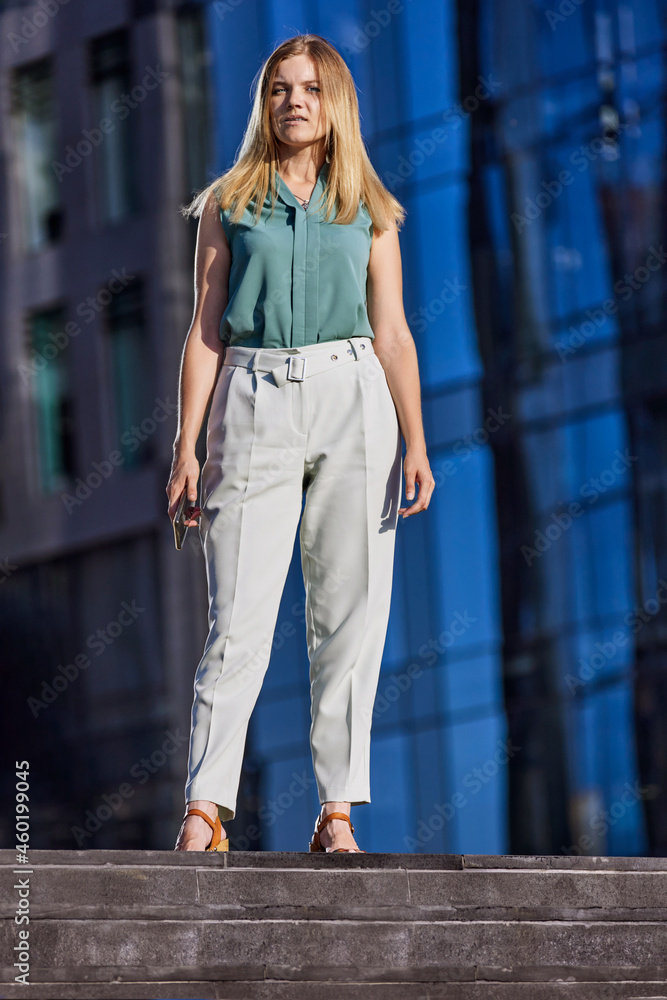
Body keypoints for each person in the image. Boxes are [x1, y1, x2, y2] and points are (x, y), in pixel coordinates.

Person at [169, 33, 434, 853]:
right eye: (280, 88)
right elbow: (205, 331)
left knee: (349, 617)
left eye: (311, 89)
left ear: (334, 104)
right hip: (250, 404)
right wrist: (185, 447)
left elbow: (391, 332)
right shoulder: (228, 203)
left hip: (354, 399)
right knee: (238, 616)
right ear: (265, 102)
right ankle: (205, 810)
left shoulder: (368, 206)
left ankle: (335, 814)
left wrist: (416, 441)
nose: (294, 101)